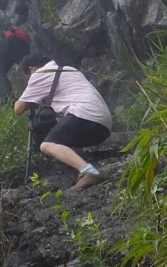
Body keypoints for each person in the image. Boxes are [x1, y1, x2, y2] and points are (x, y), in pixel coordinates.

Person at [13, 53, 112, 190]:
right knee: (62, 141)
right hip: (103, 124)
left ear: (32, 69)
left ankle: (89, 171)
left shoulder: (40, 74)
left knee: (47, 145)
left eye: (27, 78)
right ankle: (84, 164)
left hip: (84, 114)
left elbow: (18, 109)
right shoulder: (69, 70)